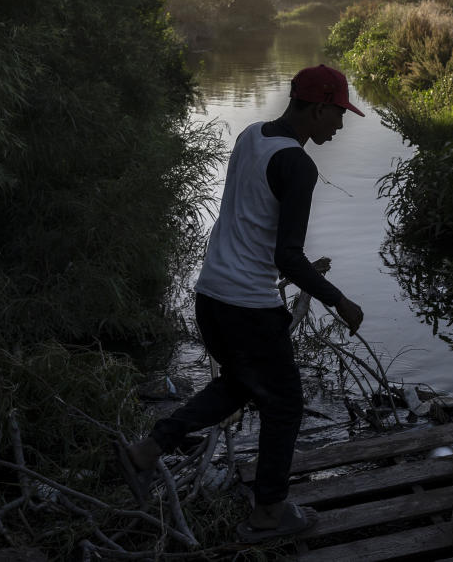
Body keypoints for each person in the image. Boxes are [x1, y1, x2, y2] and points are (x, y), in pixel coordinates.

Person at [118, 64, 366, 543]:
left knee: (240, 385)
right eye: (338, 115)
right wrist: (339, 301)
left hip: (210, 295)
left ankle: (148, 450)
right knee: (285, 406)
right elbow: (287, 257)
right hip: (248, 307)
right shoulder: (298, 164)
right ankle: (269, 514)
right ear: (317, 109)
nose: (339, 125)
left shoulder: (253, 135)